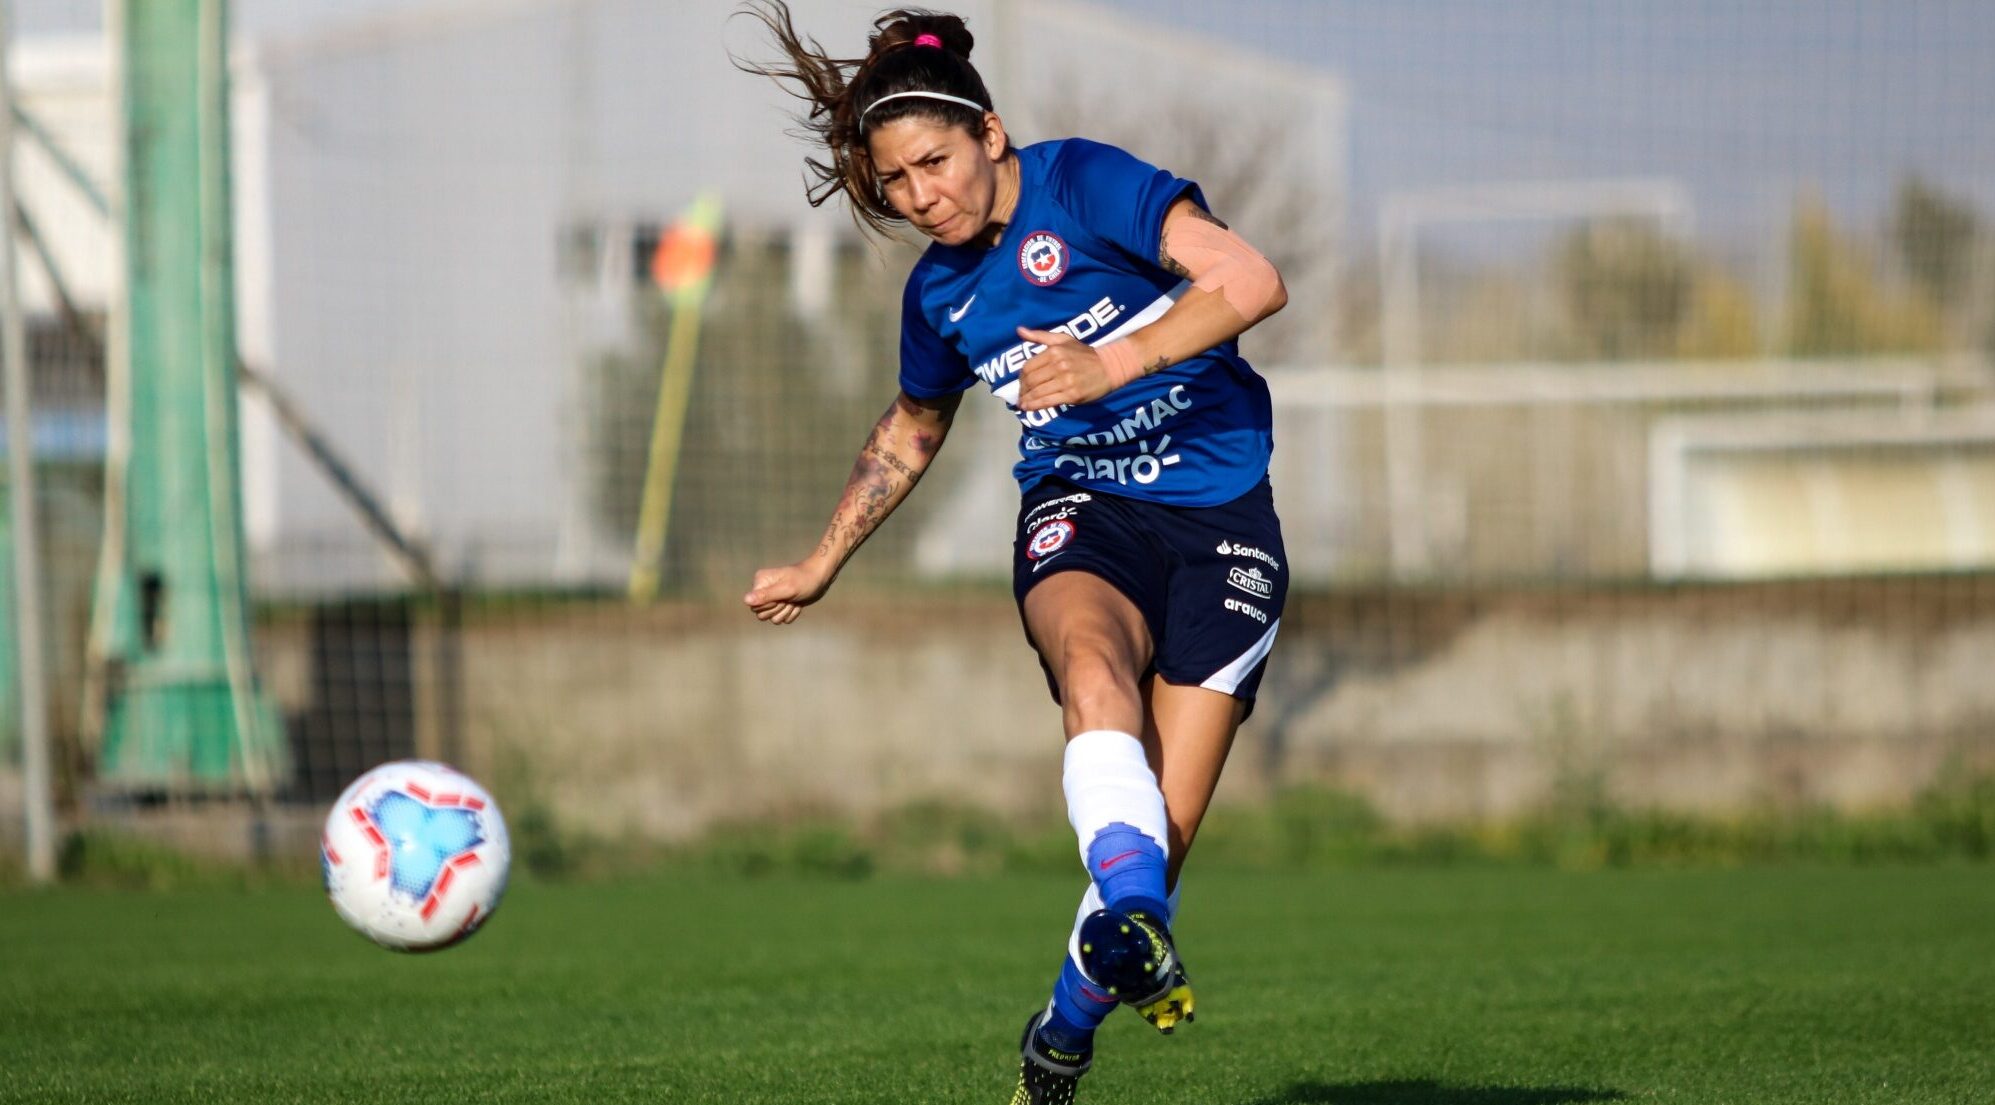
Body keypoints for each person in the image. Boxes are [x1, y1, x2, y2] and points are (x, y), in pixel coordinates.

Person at [738, 5, 1289, 1101]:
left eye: (934, 163)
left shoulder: (1085, 182)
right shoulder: (938, 294)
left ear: (991, 136)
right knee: (1092, 673)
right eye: (895, 183)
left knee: (1147, 865)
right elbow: (913, 427)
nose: (919, 196)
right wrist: (821, 560)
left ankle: (1065, 1026)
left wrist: (1112, 362)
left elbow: (1251, 278)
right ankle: (1117, 937)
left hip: (1225, 515)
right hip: (1080, 509)